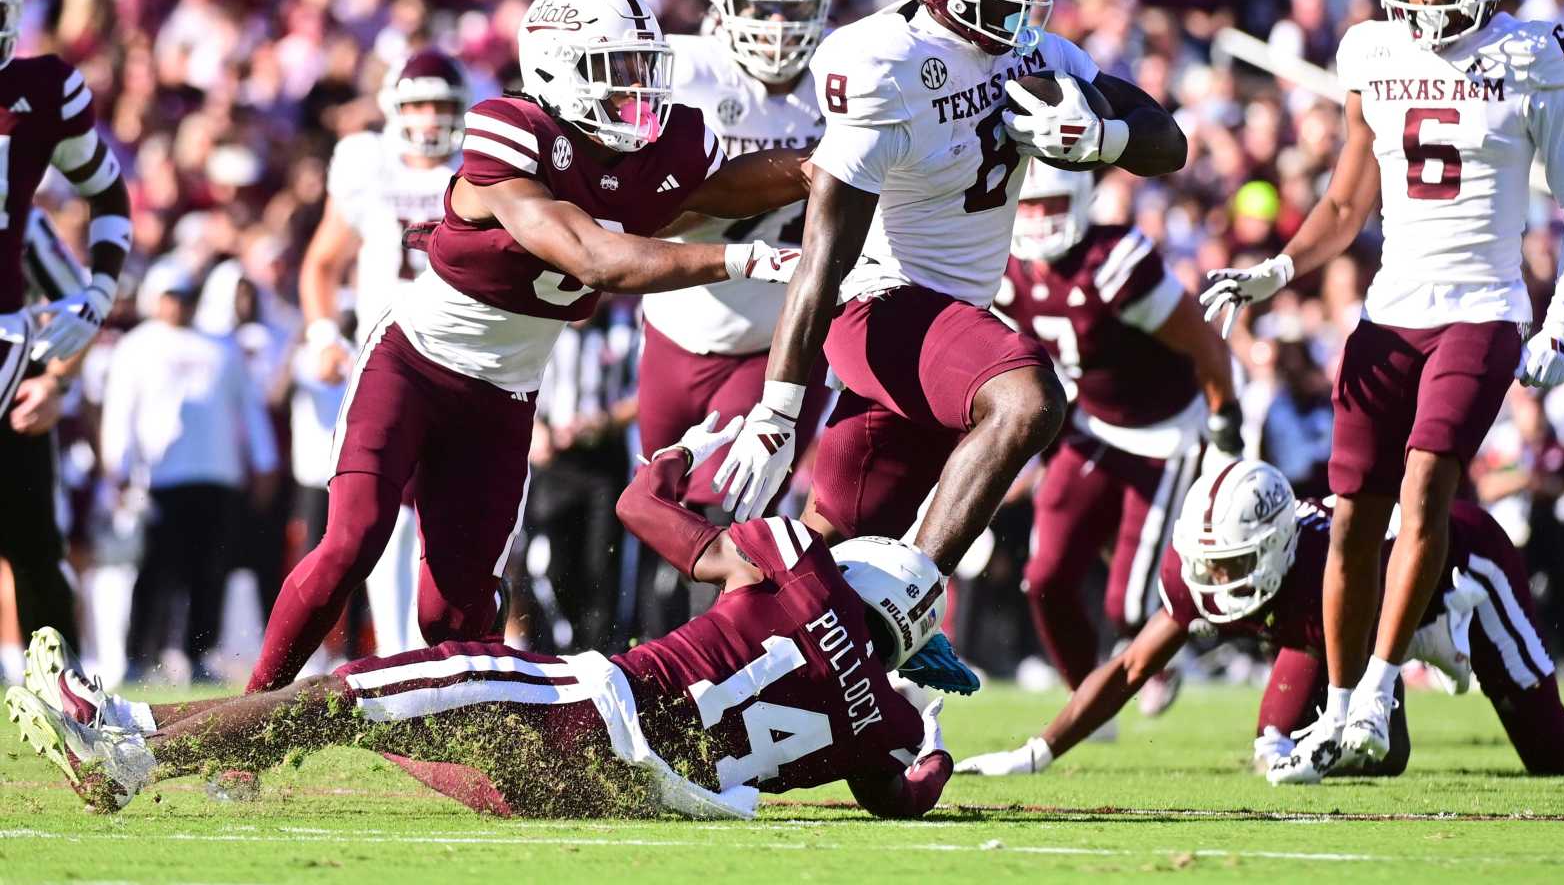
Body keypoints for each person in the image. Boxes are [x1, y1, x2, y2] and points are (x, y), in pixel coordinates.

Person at [246, 0, 812, 692]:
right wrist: (748, 258)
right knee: (352, 540)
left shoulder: (654, 150)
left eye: (641, 67)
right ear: (556, 67)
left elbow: (726, 186)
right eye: (614, 70)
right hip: (415, 363)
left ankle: (473, 752)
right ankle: (248, 717)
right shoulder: (508, 131)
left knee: (455, 614)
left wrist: (828, 170)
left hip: (505, 396)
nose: (635, 88)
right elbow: (592, 256)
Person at [8, 415, 954, 821]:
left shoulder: (798, 568)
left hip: (588, 712)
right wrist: (934, 743)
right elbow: (901, 794)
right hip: (616, 798)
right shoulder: (889, 723)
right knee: (350, 719)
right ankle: (121, 727)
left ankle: (128, 762)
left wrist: (676, 458)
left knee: (347, 694)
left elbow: (640, 511)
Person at [1200, 0, 1564, 777]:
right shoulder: (1372, 52)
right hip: (1389, 312)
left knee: (1427, 488)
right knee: (1352, 519)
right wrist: (1278, 270)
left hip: (1482, 308)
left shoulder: (1527, 57)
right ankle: (1344, 712)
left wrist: (1561, 321)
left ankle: (1381, 698)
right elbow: (1348, 202)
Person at [712, 0, 1187, 587]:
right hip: (879, 304)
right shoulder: (884, 64)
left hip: (952, 323)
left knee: (821, 560)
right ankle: (915, 595)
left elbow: (1168, 139)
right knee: (1028, 399)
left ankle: (723, 672)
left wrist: (1104, 137)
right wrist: (779, 409)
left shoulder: (1038, 54)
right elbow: (824, 252)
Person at [957, 461, 1564, 781]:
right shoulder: (1208, 569)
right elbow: (1131, 664)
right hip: (1349, 621)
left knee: (1554, 756)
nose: (1216, 581)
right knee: (1289, 746)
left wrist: (1309, 734)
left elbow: (1350, 696)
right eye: (1210, 563)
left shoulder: (1315, 570)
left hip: (1458, 572)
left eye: (1233, 564)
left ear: (1275, 547)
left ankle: (1442, 641)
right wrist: (1035, 754)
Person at [995, 162, 1238, 694]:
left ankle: (1163, 658)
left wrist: (1225, 424)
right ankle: (1087, 696)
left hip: (1164, 430)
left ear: (1081, 199)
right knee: (1044, 579)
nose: (1036, 220)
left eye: (1049, 205)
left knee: (1129, 606)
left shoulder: (1115, 263)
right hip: (1090, 423)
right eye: (1029, 206)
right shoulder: (1005, 268)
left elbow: (1205, 345)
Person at [639, 0, 832, 514]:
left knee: (734, 512)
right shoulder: (687, 71)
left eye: (792, 10)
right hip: (673, 327)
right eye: (760, 9)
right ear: (724, 9)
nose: (777, 27)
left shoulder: (841, 80)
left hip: (775, 341)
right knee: (657, 507)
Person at [297, 49, 469, 659]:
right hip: (389, 360)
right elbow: (321, 263)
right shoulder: (367, 165)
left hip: (466, 362)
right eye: (418, 103)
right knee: (382, 514)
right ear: (395, 108)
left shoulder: (483, 166)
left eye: (442, 105)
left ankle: (454, 653)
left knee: (461, 515)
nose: (429, 118)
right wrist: (324, 335)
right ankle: (395, 651)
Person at [0, 0, 134, 656]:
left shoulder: (40, 95)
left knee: (36, 550)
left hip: (10, 366)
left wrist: (58, 376)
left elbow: (101, 200)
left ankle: (67, 708)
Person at [99, 262, 280, 680]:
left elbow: (249, 409)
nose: (178, 306)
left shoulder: (222, 347)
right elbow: (119, 410)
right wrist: (118, 466)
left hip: (219, 476)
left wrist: (265, 462)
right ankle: (135, 657)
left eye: (184, 297)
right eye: (171, 297)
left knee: (209, 571)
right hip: (162, 478)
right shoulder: (137, 346)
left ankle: (199, 654)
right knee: (156, 570)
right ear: (156, 299)